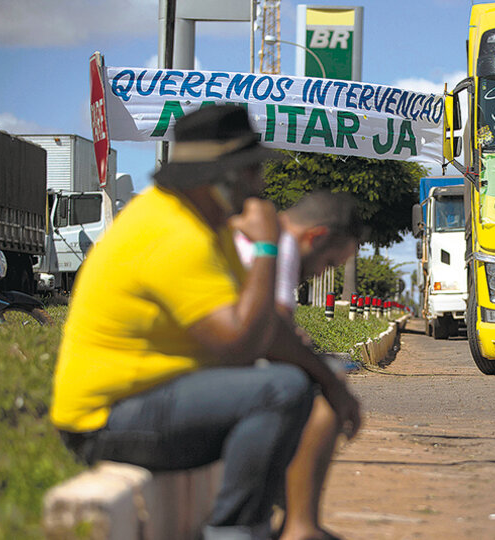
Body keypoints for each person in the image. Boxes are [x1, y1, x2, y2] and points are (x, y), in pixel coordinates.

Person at [50, 105, 361, 540]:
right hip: (105, 421)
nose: (260, 185)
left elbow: (266, 327)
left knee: (296, 384)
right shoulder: (172, 233)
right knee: (279, 390)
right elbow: (240, 343)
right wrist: (269, 248)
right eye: (251, 172)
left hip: (150, 402)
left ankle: (266, 526)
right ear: (221, 177)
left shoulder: (205, 227)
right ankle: (234, 531)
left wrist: (329, 383)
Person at [234, 191, 363, 540]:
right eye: (329, 263)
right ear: (316, 237)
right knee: (322, 393)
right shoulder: (283, 242)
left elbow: (274, 326)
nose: (322, 272)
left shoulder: (259, 234)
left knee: (308, 374)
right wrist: (334, 385)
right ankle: (300, 527)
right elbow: (272, 333)